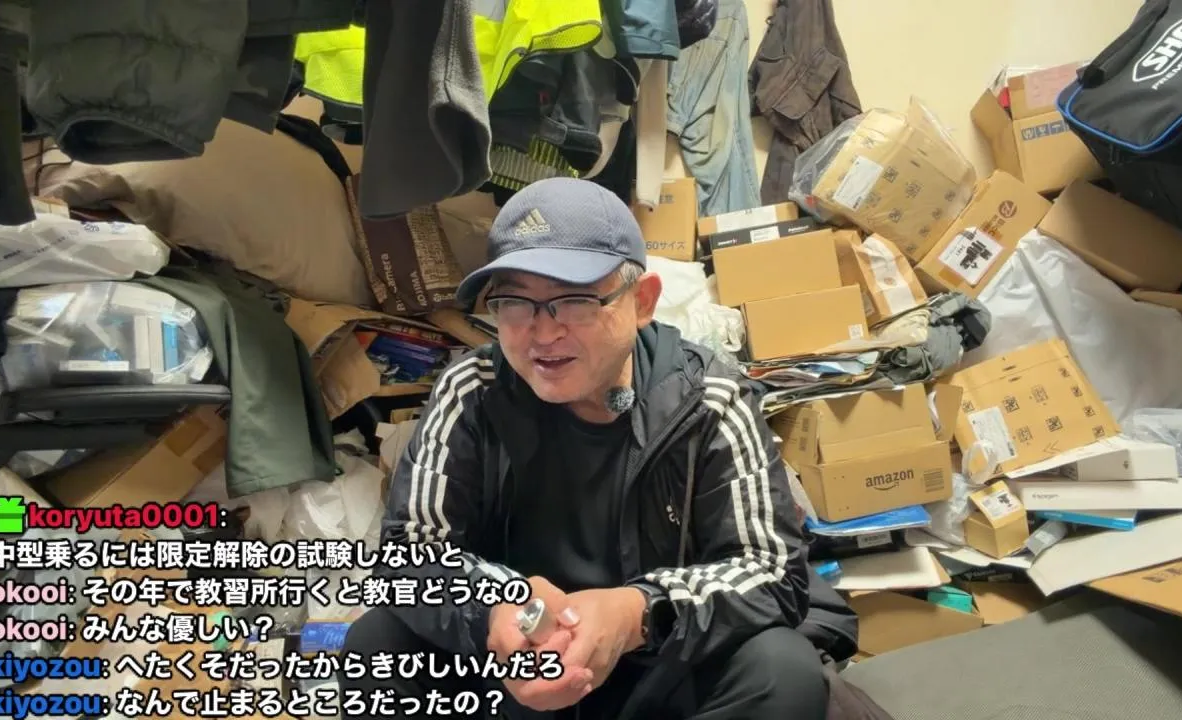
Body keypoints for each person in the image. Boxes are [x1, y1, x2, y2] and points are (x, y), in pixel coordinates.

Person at [338, 177, 857, 719]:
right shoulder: (473, 391)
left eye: (575, 301)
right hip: (515, 667)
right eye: (515, 303)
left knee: (781, 671)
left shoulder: (709, 401)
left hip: (658, 668)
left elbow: (770, 569)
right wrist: (494, 609)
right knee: (378, 645)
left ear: (642, 301)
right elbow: (410, 552)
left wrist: (636, 612)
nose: (542, 334)